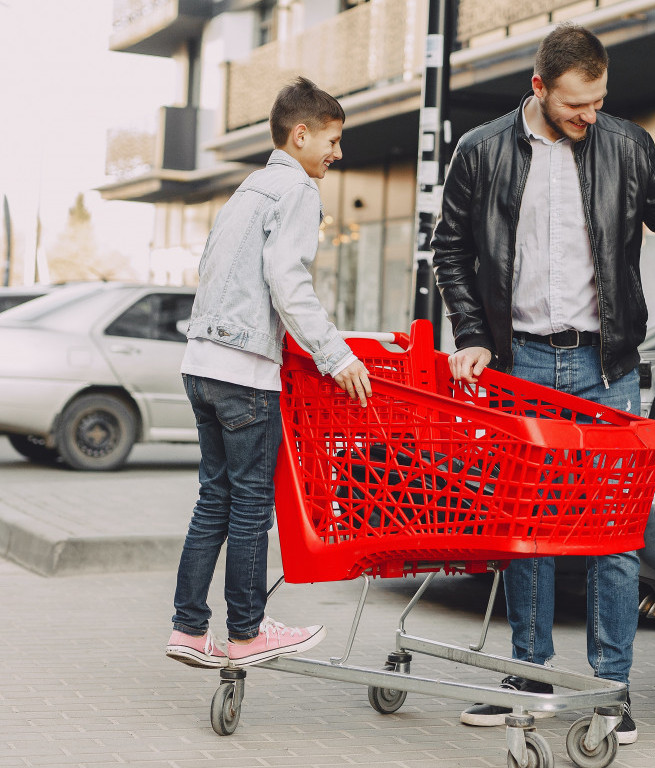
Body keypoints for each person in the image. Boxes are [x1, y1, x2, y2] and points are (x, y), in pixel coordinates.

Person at [430, 23, 655, 744]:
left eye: (599, 100)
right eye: (577, 105)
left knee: (614, 536)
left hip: (604, 365)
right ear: (540, 88)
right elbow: (450, 251)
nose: (590, 116)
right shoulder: (482, 151)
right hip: (517, 364)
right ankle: (530, 676)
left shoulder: (626, 144)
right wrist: (469, 336)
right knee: (528, 533)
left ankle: (610, 690)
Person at [165, 77, 373, 670]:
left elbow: (214, 270)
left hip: (201, 362)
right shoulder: (297, 191)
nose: (337, 153)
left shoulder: (247, 191)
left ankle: (187, 628)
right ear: (300, 135)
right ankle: (249, 633)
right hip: (244, 372)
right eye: (332, 140)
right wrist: (337, 356)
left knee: (214, 499)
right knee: (253, 505)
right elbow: (289, 280)